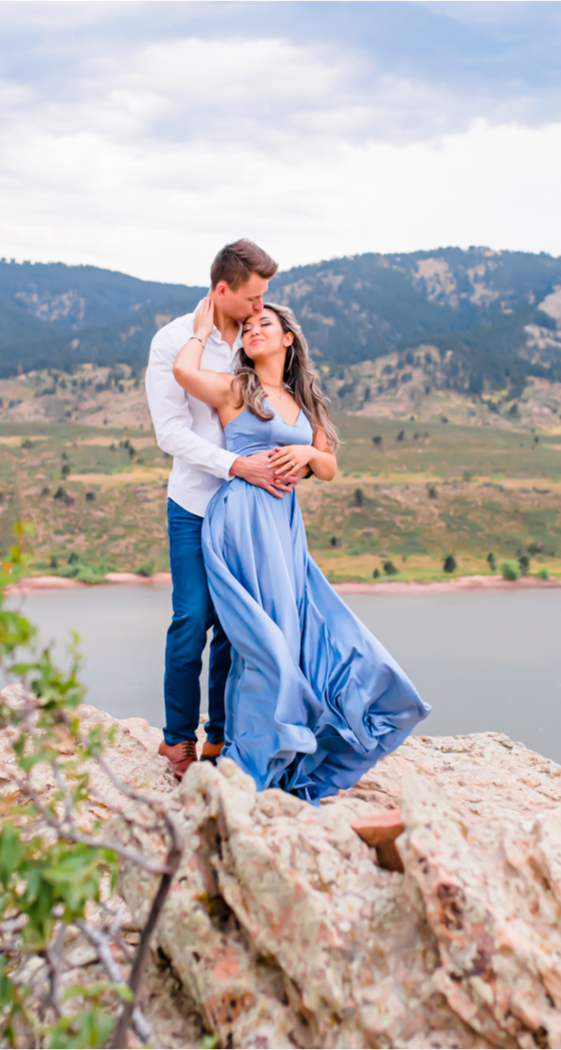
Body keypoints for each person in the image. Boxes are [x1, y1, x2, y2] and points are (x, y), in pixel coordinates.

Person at [172, 297, 431, 801]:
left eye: (263, 324)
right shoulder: (235, 388)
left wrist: (309, 452)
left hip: (284, 528)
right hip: (242, 520)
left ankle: (288, 753)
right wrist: (203, 331)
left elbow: (330, 468)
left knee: (306, 635)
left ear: (288, 338)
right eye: (246, 327)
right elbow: (184, 372)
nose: (252, 331)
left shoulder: (304, 400)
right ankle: (248, 765)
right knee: (266, 644)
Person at [146, 239, 295, 781]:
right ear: (222, 290)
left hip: (251, 512)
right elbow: (171, 434)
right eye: (253, 299)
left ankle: (223, 740)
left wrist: (293, 458)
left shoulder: (257, 344)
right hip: (194, 504)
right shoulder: (171, 344)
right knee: (191, 620)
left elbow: (284, 408)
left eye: (265, 301)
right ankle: (177, 741)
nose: (261, 310)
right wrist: (237, 465)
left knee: (236, 627)